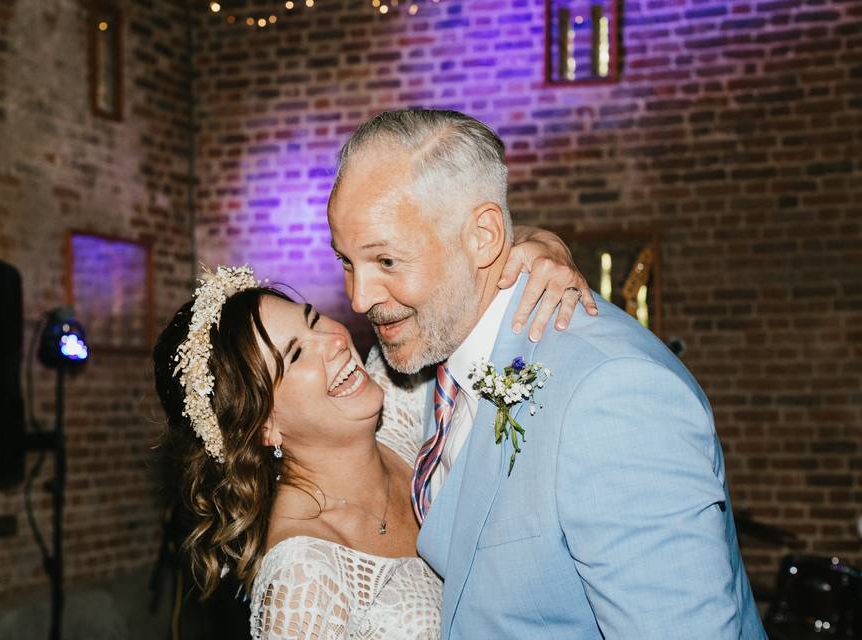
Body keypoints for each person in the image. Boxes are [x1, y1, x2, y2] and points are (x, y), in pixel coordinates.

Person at [327, 108, 767, 639]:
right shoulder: (426, 351)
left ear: (485, 235)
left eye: (387, 261)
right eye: (347, 261)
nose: (360, 297)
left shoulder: (613, 395)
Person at [153, 247, 590, 637]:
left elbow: (464, 262)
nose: (332, 340)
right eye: (297, 354)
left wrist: (542, 247)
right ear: (263, 428)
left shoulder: (397, 390)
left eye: (312, 318)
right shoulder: (301, 578)